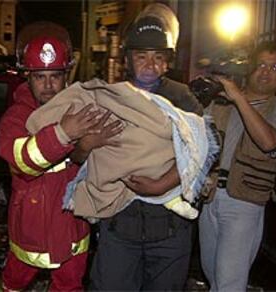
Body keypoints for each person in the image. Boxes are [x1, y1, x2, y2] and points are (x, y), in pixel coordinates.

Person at [89, 3, 204, 291]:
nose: (150, 65)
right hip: (119, 225)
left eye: (158, 57)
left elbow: (202, 151)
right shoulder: (110, 97)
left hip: (169, 229)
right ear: (127, 60)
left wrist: (162, 184)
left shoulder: (182, 98)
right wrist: (88, 143)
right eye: (141, 56)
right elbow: (82, 155)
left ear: (168, 62)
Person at [0, 36, 122, 291]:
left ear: (67, 76)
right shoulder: (16, 117)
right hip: (30, 225)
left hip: (72, 225)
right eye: (39, 77)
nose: (48, 86)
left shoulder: (82, 108)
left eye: (55, 76)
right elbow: (23, 162)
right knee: (14, 282)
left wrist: (89, 146)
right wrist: (63, 134)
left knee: (69, 286)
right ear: (27, 78)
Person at [199, 41, 276, 291]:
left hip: (244, 201)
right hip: (209, 196)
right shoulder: (221, 102)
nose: (265, 72)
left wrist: (239, 99)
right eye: (261, 64)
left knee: (230, 282)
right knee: (212, 275)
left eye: (274, 67)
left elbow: (269, 142)